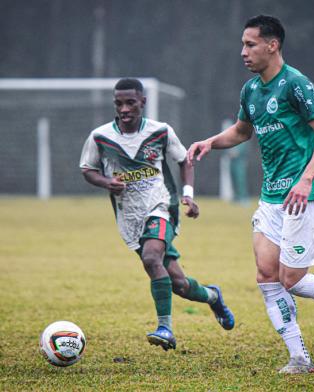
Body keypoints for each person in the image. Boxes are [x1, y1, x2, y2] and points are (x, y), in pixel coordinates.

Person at [187, 15, 314, 373]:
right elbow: (241, 131)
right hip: (271, 198)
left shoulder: (295, 84)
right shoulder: (250, 90)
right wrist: (210, 142)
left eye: (250, 44)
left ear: (272, 45)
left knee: (291, 280)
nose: (243, 52)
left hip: (305, 196)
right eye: (242, 44)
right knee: (266, 275)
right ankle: (299, 357)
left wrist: (306, 179)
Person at [80, 78, 234, 351]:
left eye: (130, 102)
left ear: (143, 102)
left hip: (162, 206)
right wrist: (107, 182)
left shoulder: (160, 132)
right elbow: (87, 170)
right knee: (179, 284)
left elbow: (184, 160)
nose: (124, 109)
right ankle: (212, 296)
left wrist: (188, 194)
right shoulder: (100, 136)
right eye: (119, 103)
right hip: (130, 217)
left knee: (152, 258)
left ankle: (165, 328)